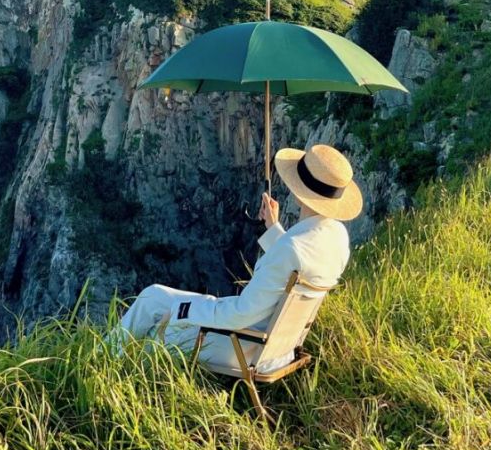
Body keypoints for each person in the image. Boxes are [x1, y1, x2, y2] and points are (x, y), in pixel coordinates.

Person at [116, 143, 360, 373]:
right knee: (154, 294)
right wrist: (273, 227)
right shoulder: (336, 239)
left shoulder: (292, 248)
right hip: (279, 345)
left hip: (244, 347)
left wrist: (185, 311)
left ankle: (96, 365)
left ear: (299, 191)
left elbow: (241, 313)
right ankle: (100, 356)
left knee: (149, 337)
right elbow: (296, 261)